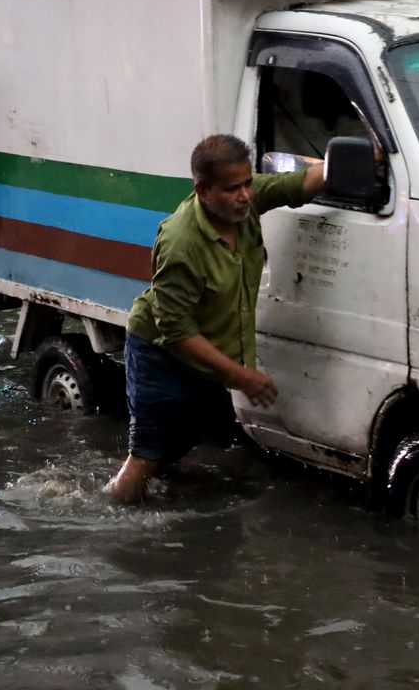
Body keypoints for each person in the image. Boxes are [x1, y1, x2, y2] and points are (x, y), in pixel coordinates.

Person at [108, 134, 326, 503]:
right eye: (232, 189)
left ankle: (164, 506)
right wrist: (241, 376)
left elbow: (298, 185)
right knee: (148, 453)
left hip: (206, 350)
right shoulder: (182, 242)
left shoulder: (243, 206)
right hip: (160, 352)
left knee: (185, 440)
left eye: (247, 184)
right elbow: (175, 330)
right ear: (204, 190)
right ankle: (114, 517)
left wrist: (355, 157)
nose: (245, 195)